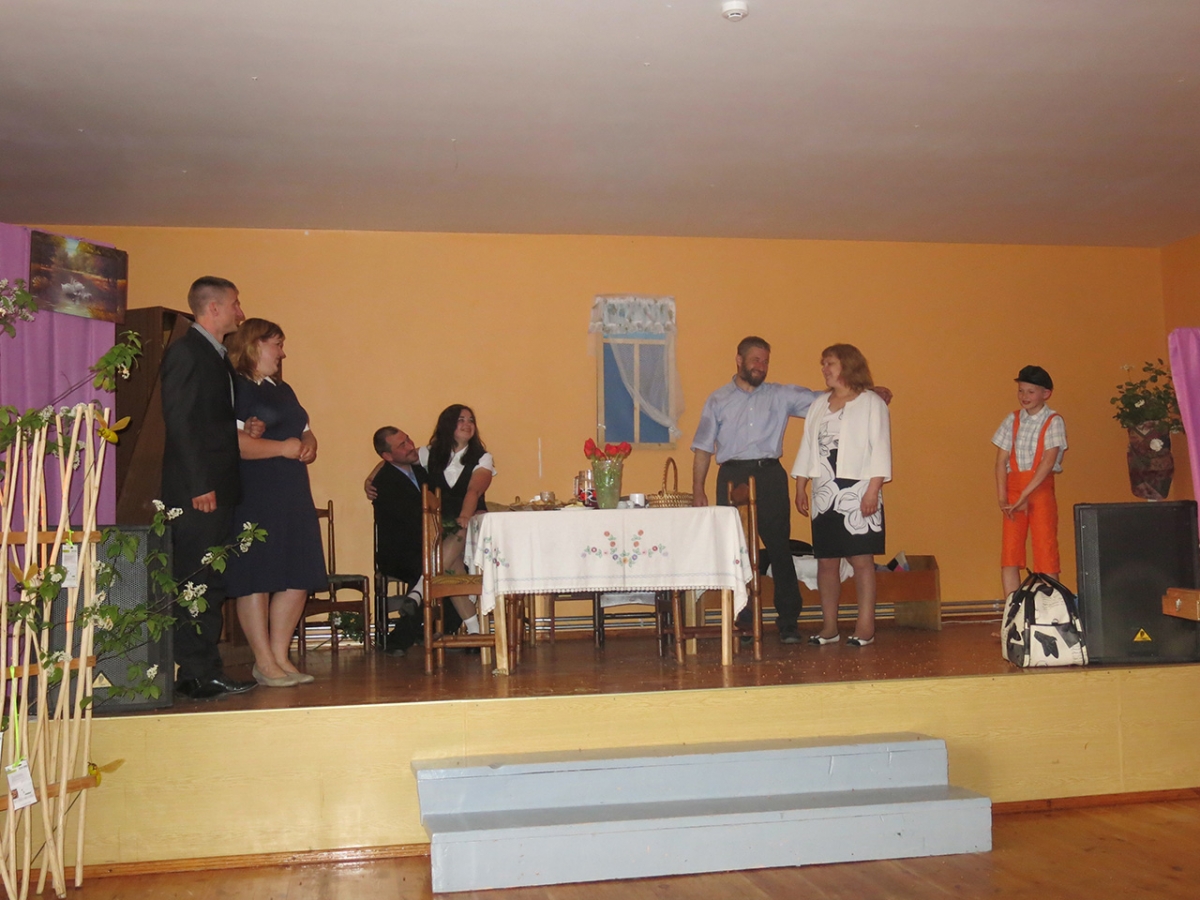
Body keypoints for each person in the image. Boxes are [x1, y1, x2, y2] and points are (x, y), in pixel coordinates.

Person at [693, 337, 891, 644]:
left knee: (779, 549)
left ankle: (788, 622)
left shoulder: (781, 395)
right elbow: (703, 447)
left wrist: (869, 391)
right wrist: (698, 489)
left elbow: (829, 398)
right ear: (739, 360)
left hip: (769, 474)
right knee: (735, 551)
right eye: (755, 359)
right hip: (731, 474)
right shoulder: (718, 400)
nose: (761, 366)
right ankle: (744, 621)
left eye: (765, 361)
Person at [160, 276, 258, 700]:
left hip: (213, 487)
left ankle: (196, 671)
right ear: (213, 308)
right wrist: (200, 484)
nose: (240, 313)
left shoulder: (214, 356)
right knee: (198, 581)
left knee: (207, 580)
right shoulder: (187, 351)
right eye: (235, 304)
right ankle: (200, 674)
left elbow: (207, 419)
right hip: (199, 491)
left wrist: (243, 428)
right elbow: (180, 421)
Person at [223, 318, 327, 687]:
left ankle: (281, 656)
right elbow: (234, 444)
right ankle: (263, 661)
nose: (282, 353)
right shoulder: (236, 386)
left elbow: (304, 429)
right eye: (277, 344)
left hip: (292, 490)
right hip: (256, 491)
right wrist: (282, 448)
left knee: (298, 572)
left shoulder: (282, 389)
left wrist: (308, 444)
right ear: (255, 344)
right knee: (257, 575)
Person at [792, 344, 892, 647]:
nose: (825, 369)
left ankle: (865, 627)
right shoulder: (819, 404)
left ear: (848, 365)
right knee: (826, 562)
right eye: (823, 364)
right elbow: (807, 446)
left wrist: (873, 490)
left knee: (861, 560)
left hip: (859, 489)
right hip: (825, 491)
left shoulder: (872, 403)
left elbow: (880, 447)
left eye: (830, 363)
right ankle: (829, 627)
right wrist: (800, 485)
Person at [364, 404, 494, 635]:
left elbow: (473, 491)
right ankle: (474, 631)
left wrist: (465, 517)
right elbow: (392, 459)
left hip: (468, 525)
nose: (467, 424)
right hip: (441, 532)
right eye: (461, 420)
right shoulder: (428, 454)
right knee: (451, 565)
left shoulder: (482, 458)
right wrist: (370, 479)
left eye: (471, 420)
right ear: (448, 425)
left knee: (460, 532)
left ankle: (419, 592)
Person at [369, 426, 457, 655]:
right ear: (387, 456)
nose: (410, 446)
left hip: (426, 549)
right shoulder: (384, 482)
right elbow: (411, 522)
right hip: (399, 554)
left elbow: (444, 499)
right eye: (402, 445)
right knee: (435, 569)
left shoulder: (420, 470)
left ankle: (428, 629)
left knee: (458, 569)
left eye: (408, 440)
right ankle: (401, 639)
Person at [992, 365, 1067, 598]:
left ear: (1046, 393)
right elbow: (1000, 461)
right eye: (1021, 390)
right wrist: (1003, 497)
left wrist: (1025, 494)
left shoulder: (1053, 421)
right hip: (1013, 490)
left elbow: (1048, 461)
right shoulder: (1012, 419)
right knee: (1010, 553)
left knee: (1045, 549)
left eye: (1031, 391)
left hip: (1039, 489)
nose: (1024, 396)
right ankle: (1012, 612)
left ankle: (1050, 612)